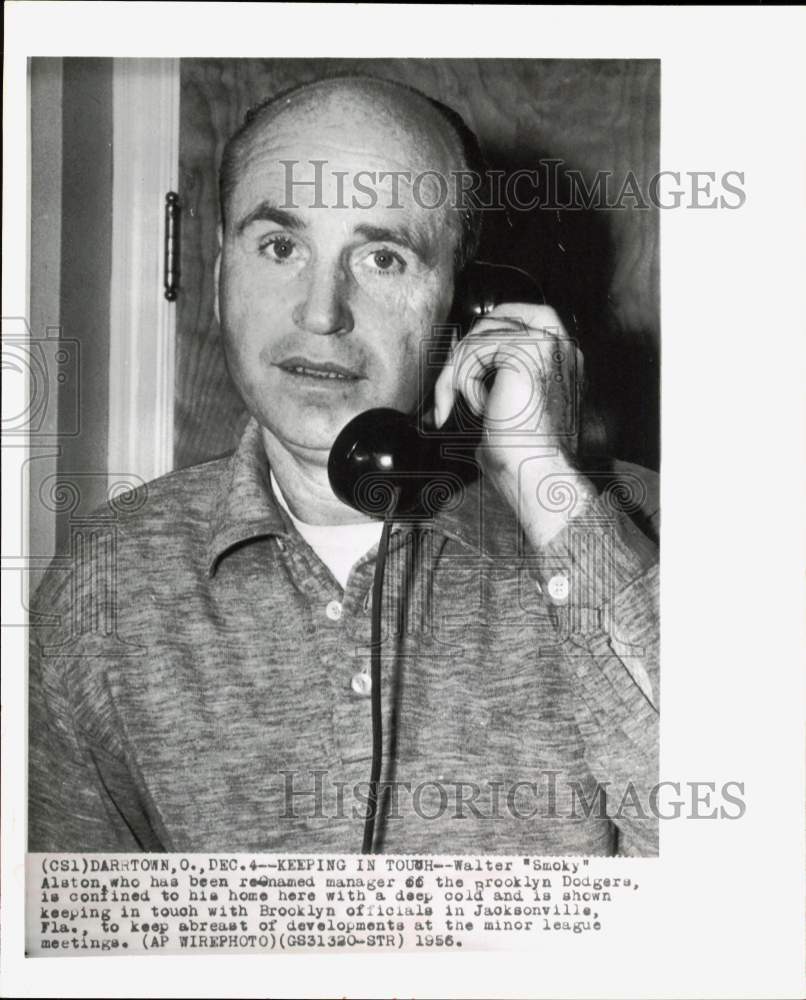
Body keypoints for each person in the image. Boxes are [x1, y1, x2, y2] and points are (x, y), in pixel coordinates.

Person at [29, 75, 659, 856]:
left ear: (466, 306)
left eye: (384, 258)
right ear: (222, 278)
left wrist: (551, 496)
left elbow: (746, 874)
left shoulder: (637, 530)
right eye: (280, 246)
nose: (321, 312)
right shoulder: (107, 583)